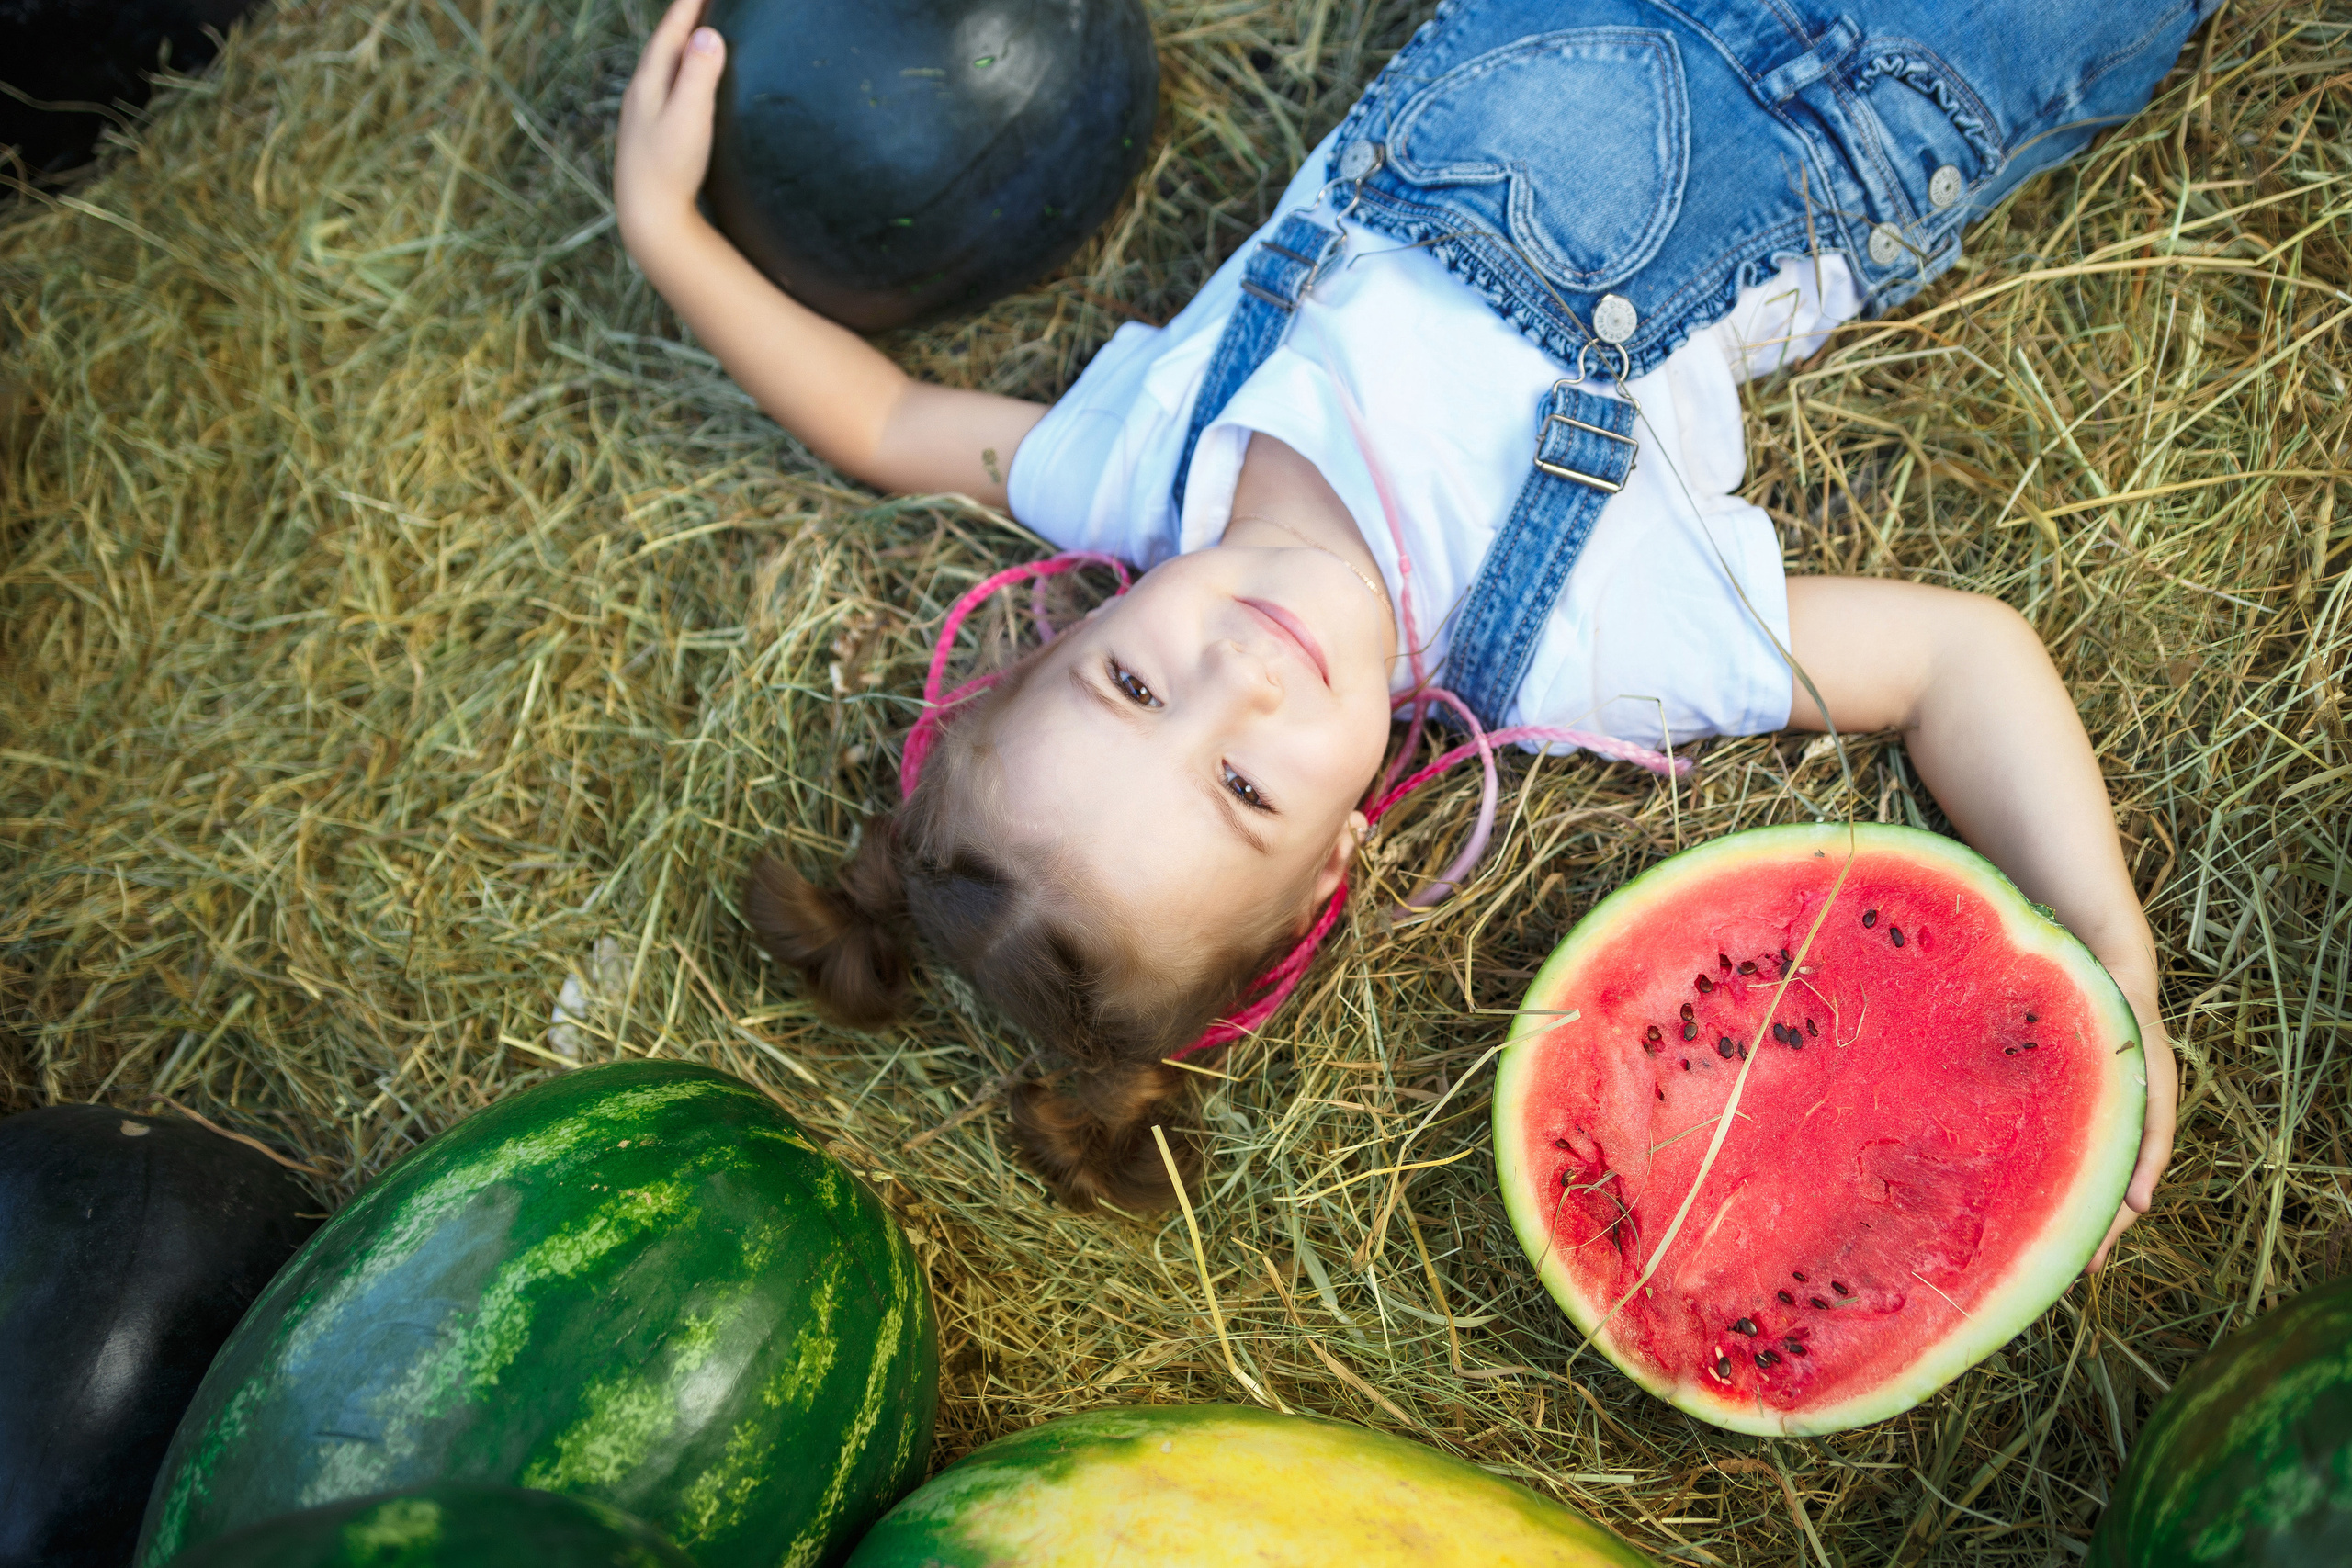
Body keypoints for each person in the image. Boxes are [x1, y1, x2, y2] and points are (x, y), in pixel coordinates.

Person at [613, 0, 2208, 1264]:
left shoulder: (1145, 469)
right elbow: (1960, 659)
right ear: (1330, 868)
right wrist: (2109, 954)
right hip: (1888, 68)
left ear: (1062, 629)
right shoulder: (1573, 641)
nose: (1233, 679)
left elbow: (881, 418)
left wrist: (665, 229)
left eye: (1132, 682)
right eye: (1244, 787)